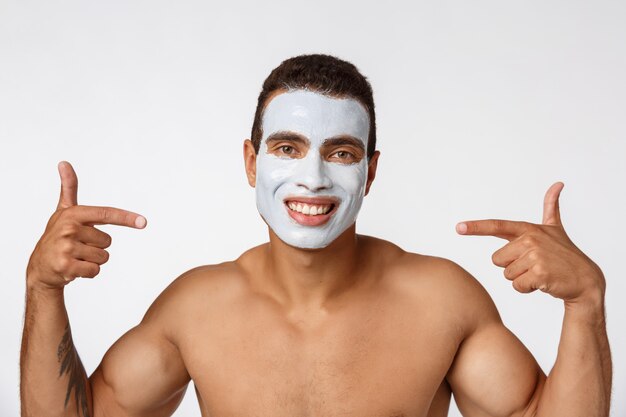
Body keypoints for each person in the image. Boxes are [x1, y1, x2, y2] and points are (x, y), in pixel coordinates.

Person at [20, 54, 611, 417]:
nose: (313, 177)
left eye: (341, 152)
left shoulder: (440, 302)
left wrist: (585, 303)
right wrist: (43, 290)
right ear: (252, 163)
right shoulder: (196, 310)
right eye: (287, 148)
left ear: (370, 172)